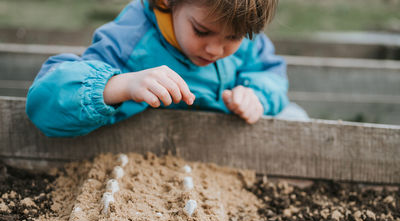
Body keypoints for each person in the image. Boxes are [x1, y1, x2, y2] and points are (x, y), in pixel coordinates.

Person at [26, 0, 301, 137]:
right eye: (201, 31)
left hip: (219, 148)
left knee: (296, 116)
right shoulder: (131, 40)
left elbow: (270, 73)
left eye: (232, 39)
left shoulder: (242, 27)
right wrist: (119, 86)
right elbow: (44, 101)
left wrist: (257, 96)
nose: (216, 50)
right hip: (143, 149)